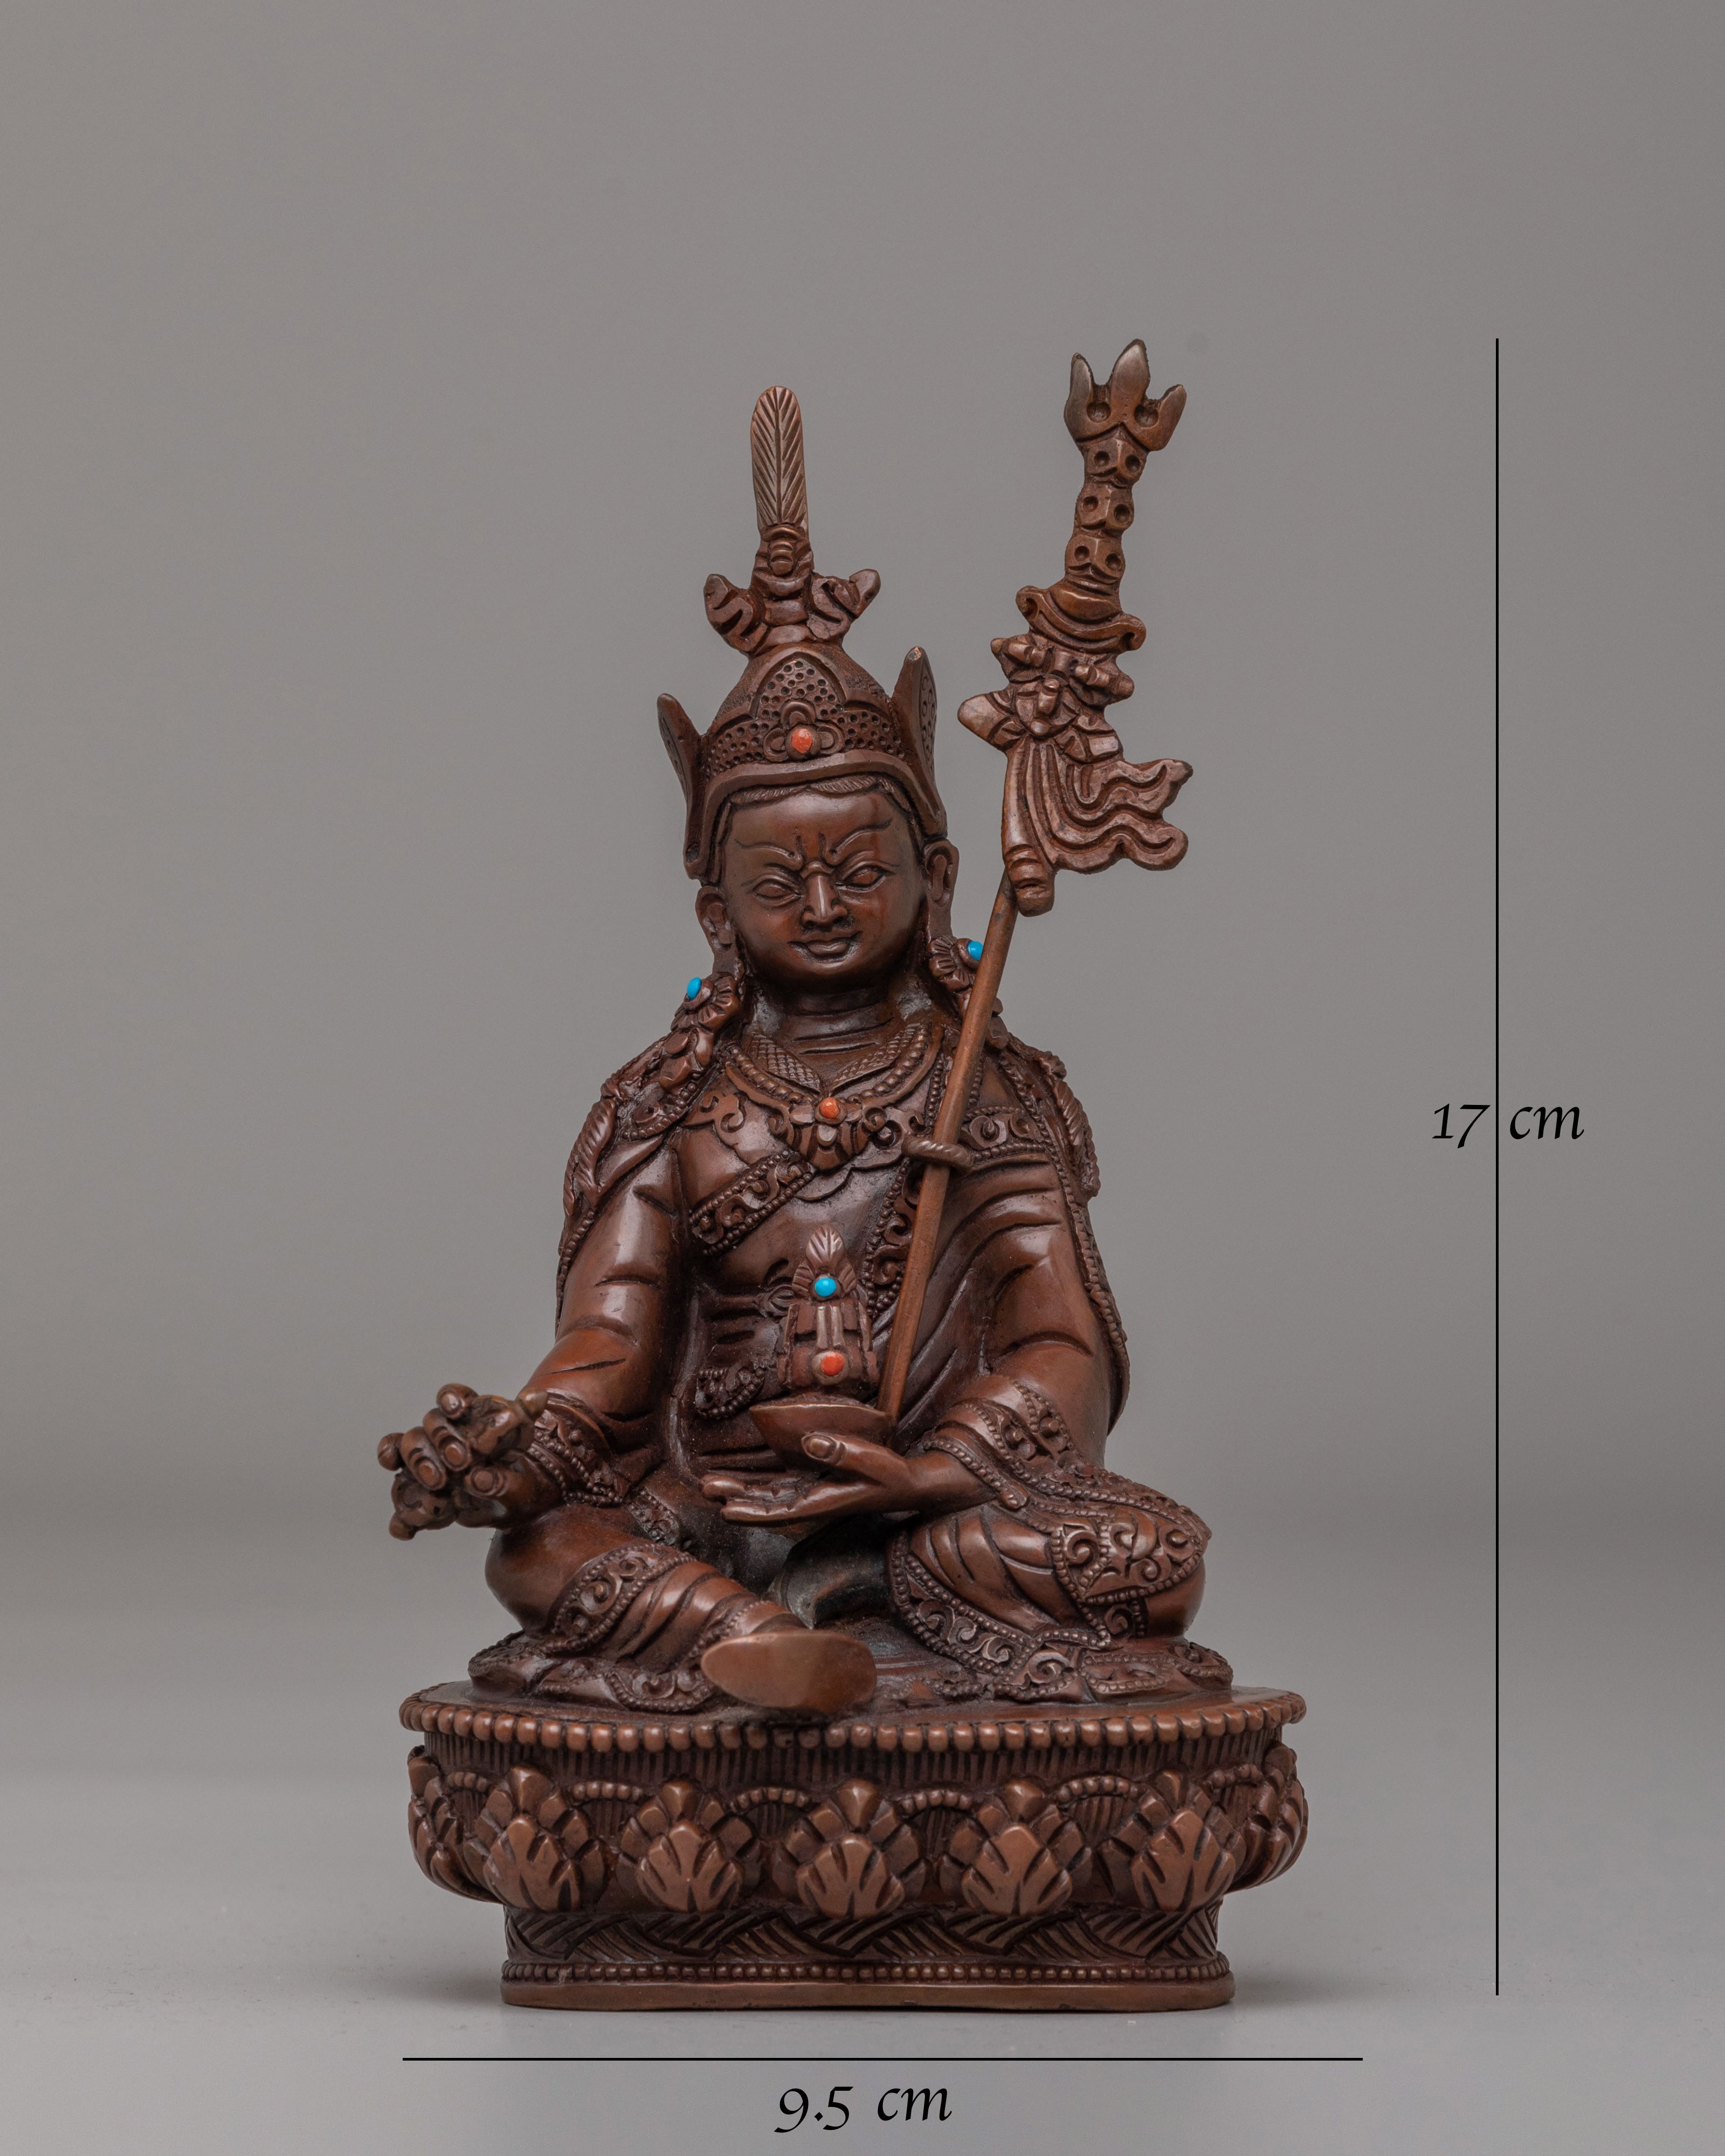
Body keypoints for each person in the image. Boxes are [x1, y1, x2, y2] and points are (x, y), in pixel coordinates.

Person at [380, 391, 1231, 1717]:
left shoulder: (981, 1083)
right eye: (781, 880)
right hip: (707, 1505)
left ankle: (850, 1600)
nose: (824, 906)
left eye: (861, 870)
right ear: (716, 908)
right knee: (540, 1549)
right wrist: (519, 1448)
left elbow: (1056, 1336)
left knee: (1153, 1558)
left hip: (929, 1510)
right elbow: (607, 1345)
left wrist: (933, 1468)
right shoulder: (674, 1101)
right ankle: (758, 1631)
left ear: (935, 874)